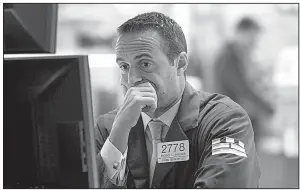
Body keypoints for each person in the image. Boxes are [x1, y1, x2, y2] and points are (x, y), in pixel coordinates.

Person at [95, 12, 260, 188]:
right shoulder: (108, 128)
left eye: (145, 64)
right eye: (124, 67)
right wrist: (118, 134)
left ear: (180, 63)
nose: (132, 79)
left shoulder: (225, 121)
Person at [213, 17, 274, 143]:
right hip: (227, 121)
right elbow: (242, 88)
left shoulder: (239, 55)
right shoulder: (228, 56)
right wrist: (267, 107)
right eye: (252, 35)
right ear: (240, 33)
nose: (255, 41)